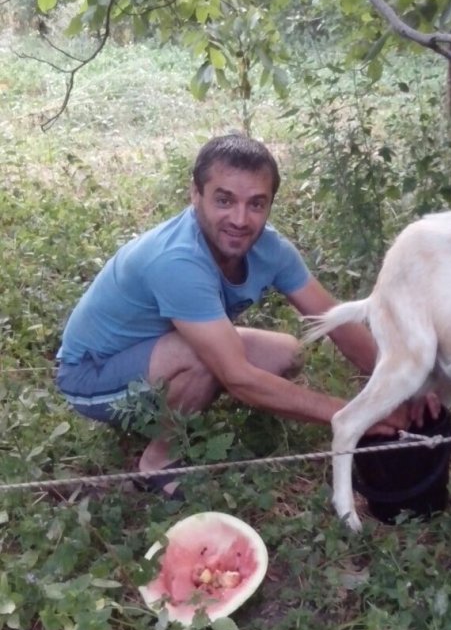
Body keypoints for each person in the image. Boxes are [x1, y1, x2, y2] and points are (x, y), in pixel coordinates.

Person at [55, 133, 414, 498]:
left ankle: (179, 403)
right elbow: (238, 376)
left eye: (256, 204)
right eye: (224, 200)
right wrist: (354, 415)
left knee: (285, 353)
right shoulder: (177, 260)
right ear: (195, 194)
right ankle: (157, 462)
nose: (240, 219)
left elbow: (334, 319)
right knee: (205, 358)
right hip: (91, 377)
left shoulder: (271, 249)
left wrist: (402, 383)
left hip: (155, 353)